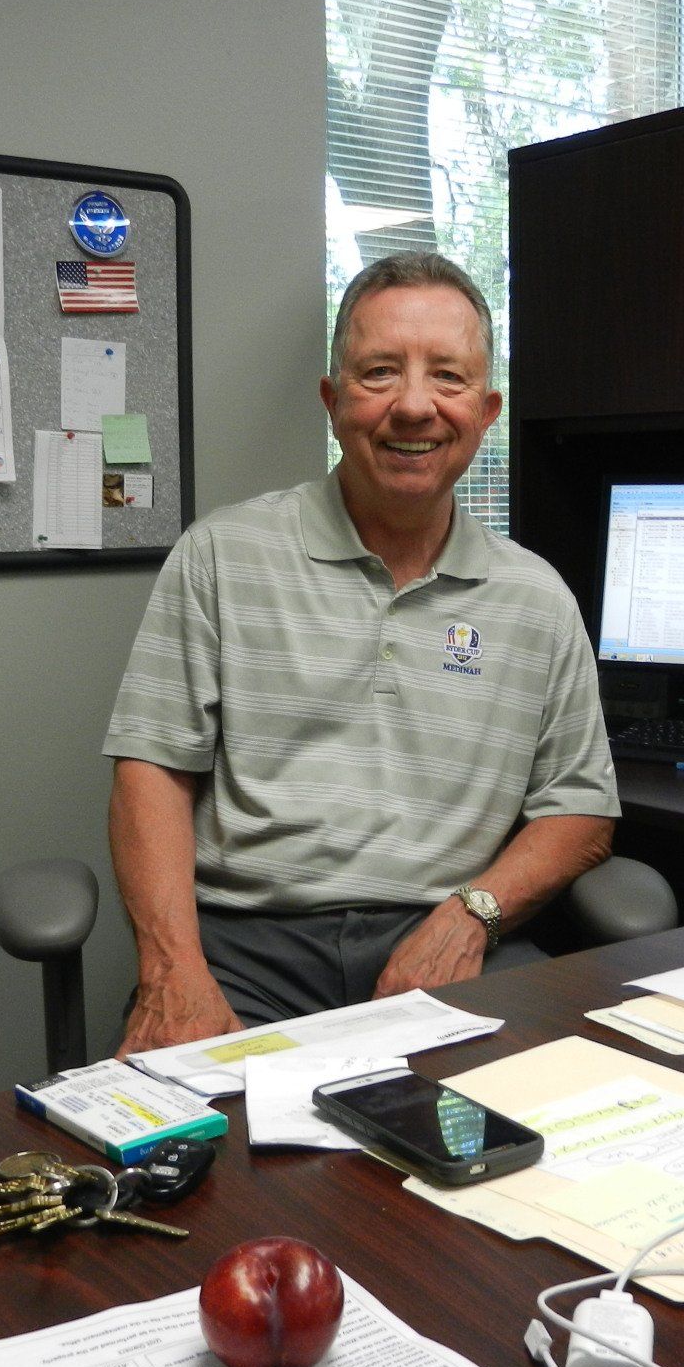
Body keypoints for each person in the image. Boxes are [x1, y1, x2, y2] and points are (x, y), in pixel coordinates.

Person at [103, 252, 618, 1056]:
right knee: (197, 1163)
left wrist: (470, 915)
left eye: (447, 378)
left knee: (538, 1133)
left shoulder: (537, 598)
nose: (414, 407)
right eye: (380, 372)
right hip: (247, 952)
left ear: (486, 411)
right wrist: (174, 971)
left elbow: (580, 807)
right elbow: (151, 770)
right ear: (333, 400)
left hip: (451, 941)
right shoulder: (222, 556)